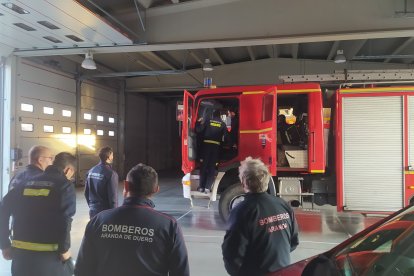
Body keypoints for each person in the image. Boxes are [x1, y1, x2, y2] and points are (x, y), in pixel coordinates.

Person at [75, 163, 189, 276]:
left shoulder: (99, 220)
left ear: (126, 186)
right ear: (156, 189)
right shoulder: (168, 225)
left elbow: (82, 269)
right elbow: (181, 272)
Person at [0, 152, 77, 276]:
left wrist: (4, 244)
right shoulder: (64, 185)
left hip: (20, 256)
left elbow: (3, 209)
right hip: (48, 259)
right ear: (68, 170)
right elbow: (65, 219)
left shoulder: (25, 181)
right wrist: (64, 249)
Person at [222, 157, 299, 276]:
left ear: (243, 182)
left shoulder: (241, 211)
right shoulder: (282, 205)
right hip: (283, 271)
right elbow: (293, 242)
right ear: (267, 180)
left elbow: (232, 255)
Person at [196, 109, 228, 192]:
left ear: (212, 115)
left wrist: (198, 122)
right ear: (220, 116)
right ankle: (207, 188)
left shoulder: (208, 121)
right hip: (216, 148)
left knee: (203, 166)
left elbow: (199, 130)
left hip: (206, 147)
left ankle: (201, 187)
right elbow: (226, 137)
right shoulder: (223, 124)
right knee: (212, 168)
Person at [84, 146, 119, 218]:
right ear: (109, 157)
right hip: (105, 212)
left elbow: (86, 192)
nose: (113, 157)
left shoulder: (91, 171)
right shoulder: (111, 174)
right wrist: (114, 215)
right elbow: (113, 198)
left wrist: (92, 206)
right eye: (112, 155)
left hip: (93, 211)